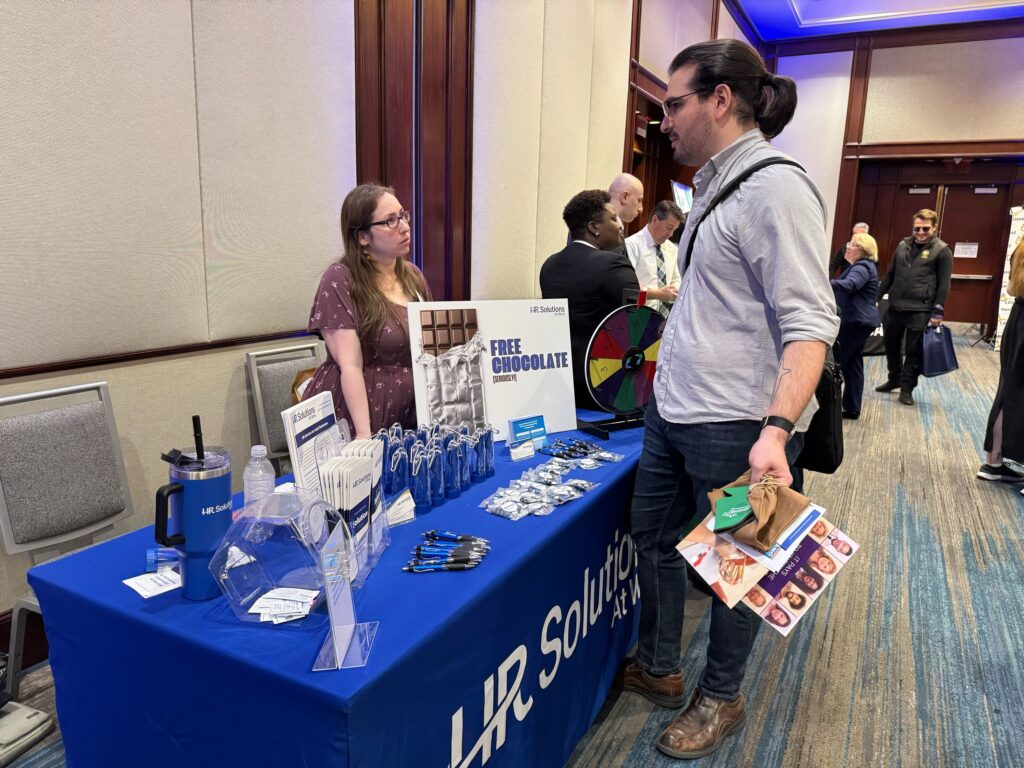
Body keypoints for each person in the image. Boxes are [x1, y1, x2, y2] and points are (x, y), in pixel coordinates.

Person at [620, 39, 839, 760]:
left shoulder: (776, 187)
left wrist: (775, 431)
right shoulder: (712, 184)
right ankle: (659, 665)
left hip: (738, 424)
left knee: (738, 569)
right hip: (671, 412)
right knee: (651, 540)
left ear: (720, 100)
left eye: (673, 104)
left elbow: (810, 322)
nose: (663, 120)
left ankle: (722, 696)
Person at [303, 183, 431, 437]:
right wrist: (364, 435)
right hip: (353, 417)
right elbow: (350, 364)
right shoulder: (340, 279)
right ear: (362, 237)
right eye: (390, 221)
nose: (404, 227)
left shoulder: (414, 277)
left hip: (406, 420)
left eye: (403, 216)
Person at [540, 189, 639, 409]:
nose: (621, 225)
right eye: (613, 219)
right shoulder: (614, 265)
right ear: (594, 228)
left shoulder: (549, 265)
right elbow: (636, 326)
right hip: (606, 385)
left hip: (558, 384)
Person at [875, 209, 953, 406]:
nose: (920, 232)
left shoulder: (942, 250)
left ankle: (907, 388)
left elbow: (944, 284)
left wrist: (938, 309)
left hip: (920, 309)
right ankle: (895, 378)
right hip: (895, 307)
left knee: (913, 351)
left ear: (934, 227)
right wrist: (874, 297)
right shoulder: (903, 245)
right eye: (917, 228)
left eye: (925, 228)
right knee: (891, 346)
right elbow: (890, 274)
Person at [979, 236, 1024, 485]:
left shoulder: (1020, 248)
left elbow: (1010, 288)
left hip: (1018, 321)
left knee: (1008, 390)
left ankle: (993, 462)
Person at [831, 232, 881, 419]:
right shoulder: (867, 266)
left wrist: (827, 284)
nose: (847, 247)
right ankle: (852, 407)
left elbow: (851, 285)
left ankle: (828, 410)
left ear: (862, 250)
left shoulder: (860, 267)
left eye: (852, 244)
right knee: (853, 364)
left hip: (854, 322)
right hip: (861, 322)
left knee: (837, 363)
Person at [625, 200, 684, 317]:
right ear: (655, 220)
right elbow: (628, 289)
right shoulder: (631, 245)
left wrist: (674, 291)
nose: (671, 234)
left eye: (674, 230)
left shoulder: (671, 248)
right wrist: (658, 294)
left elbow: (676, 280)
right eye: (669, 227)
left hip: (665, 319)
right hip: (638, 317)